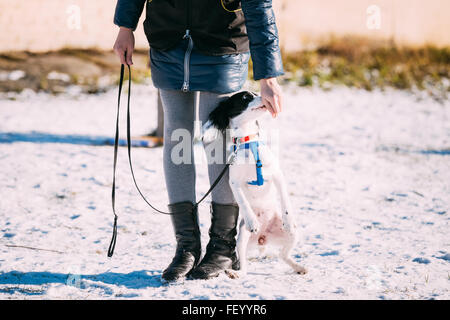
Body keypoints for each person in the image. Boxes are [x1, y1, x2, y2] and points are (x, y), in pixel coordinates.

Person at [113, 0, 284, 281]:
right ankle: (186, 248)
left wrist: (267, 74)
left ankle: (222, 247)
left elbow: (259, 8)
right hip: (168, 41)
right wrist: (125, 27)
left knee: (217, 142)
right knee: (177, 140)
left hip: (222, 43)